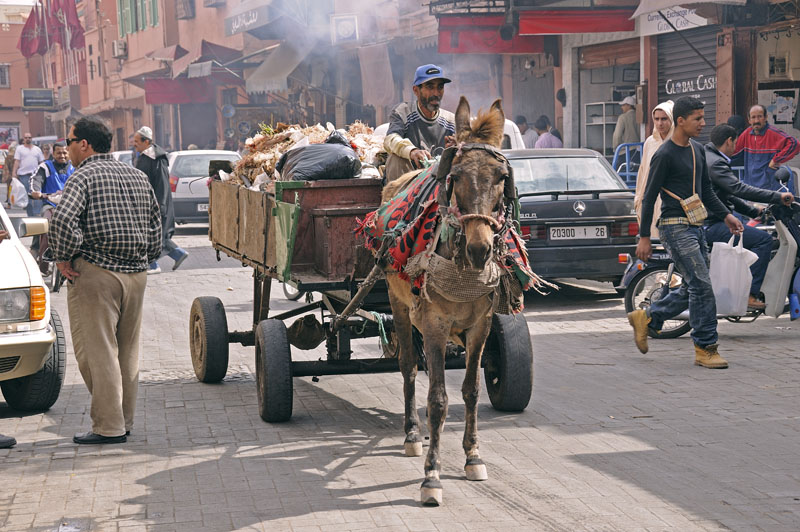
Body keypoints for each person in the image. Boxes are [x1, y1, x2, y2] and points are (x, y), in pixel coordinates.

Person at [49, 116, 161, 445]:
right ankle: (123, 422)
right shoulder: (136, 175)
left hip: (96, 273)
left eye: (69, 142)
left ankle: (108, 427)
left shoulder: (82, 177)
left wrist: (63, 256)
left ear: (84, 144)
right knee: (127, 351)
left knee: (97, 352)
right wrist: (144, 256)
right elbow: (157, 224)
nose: (67, 149)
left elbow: (63, 220)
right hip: (137, 275)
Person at [629, 96, 744, 369]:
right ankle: (705, 347)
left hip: (696, 225)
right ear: (680, 121)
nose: (703, 124)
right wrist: (645, 236)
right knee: (703, 285)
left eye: (703, 118)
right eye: (697, 119)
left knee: (698, 284)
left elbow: (705, 192)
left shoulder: (698, 150)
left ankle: (647, 318)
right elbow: (648, 197)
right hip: (672, 227)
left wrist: (726, 215)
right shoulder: (664, 154)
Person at [704, 124, 794, 311]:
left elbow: (727, 195)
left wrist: (755, 212)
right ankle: (750, 294)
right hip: (713, 224)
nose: (735, 146)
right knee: (763, 241)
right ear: (729, 141)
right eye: (735, 142)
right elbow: (739, 189)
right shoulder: (717, 163)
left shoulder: (709, 157)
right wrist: (777, 197)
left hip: (711, 221)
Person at [383, 64, 455, 182]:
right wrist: (412, 151)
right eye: (430, 87)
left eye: (440, 87)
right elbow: (390, 139)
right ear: (416, 90)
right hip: (408, 184)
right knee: (396, 158)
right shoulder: (403, 112)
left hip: (440, 184)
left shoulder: (451, 121)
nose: (436, 93)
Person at [133, 126, 189, 274]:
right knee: (155, 233)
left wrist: (159, 204)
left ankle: (153, 265)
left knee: (152, 234)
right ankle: (178, 253)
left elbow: (163, 184)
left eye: (137, 141)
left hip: (157, 203)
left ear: (147, 142)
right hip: (147, 202)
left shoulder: (157, 158)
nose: (134, 144)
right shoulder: (145, 156)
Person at [30, 142, 75, 273]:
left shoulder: (75, 167)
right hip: (50, 204)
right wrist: (36, 191)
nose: (62, 155)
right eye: (58, 153)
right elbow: (36, 180)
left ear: (68, 153)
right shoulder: (45, 166)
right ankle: (43, 264)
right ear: (53, 154)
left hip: (71, 205)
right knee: (46, 225)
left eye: (64, 152)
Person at [733, 104, 799, 192]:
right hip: (750, 186)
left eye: (760, 116)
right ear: (749, 119)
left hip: (770, 188)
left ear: (766, 117)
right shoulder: (746, 133)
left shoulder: (773, 133)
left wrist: (776, 159)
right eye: (753, 117)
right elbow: (734, 151)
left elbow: (795, 144)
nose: (756, 120)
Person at [634, 100, 674, 238]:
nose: (660, 123)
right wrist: (639, 196)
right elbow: (643, 172)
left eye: (664, 119)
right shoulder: (650, 142)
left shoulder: (678, 141)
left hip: (670, 199)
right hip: (651, 196)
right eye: (656, 119)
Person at [11, 132, 45, 217]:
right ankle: (30, 215)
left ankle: (37, 213)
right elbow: (17, 161)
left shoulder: (37, 149)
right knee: (27, 196)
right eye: (26, 137)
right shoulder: (20, 149)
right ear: (23, 139)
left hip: (35, 176)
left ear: (31, 138)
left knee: (37, 193)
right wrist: (14, 173)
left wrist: (44, 172)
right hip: (24, 175)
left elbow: (41, 162)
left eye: (29, 137)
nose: (28, 139)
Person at [2, 142, 16, 208]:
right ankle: (13, 202)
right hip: (16, 175)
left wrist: (6, 176)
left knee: (9, 189)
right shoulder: (16, 158)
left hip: (9, 176)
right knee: (15, 189)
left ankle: (9, 204)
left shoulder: (8, 158)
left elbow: (6, 168)